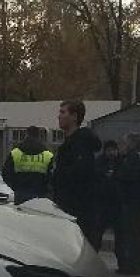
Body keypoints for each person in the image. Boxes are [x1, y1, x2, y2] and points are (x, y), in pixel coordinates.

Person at [52, 100, 101, 243]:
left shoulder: (80, 144)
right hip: (66, 208)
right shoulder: (69, 144)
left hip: (77, 212)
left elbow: (78, 176)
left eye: (63, 112)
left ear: (74, 116)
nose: (59, 116)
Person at [115, 132, 140, 275]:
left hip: (132, 200)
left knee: (130, 233)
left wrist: (118, 173)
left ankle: (130, 265)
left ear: (131, 143)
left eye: (125, 143)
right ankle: (135, 264)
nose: (123, 146)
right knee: (137, 233)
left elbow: (127, 175)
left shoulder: (134, 156)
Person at [2, 126, 53, 204]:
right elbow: (52, 178)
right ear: (39, 136)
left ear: (26, 135)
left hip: (20, 194)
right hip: (40, 196)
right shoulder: (47, 155)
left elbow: (5, 174)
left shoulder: (15, 153)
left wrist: (14, 187)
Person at [91, 140, 121, 251]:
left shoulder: (121, 161)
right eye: (109, 150)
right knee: (97, 233)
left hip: (116, 203)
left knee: (120, 235)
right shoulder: (99, 162)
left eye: (113, 150)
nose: (111, 153)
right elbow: (95, 177)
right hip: (101, 203)